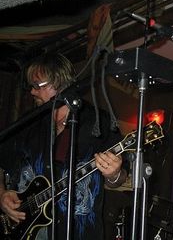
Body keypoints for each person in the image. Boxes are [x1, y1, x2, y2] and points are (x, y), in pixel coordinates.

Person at [0, 53, 128, 240]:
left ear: (59, 83)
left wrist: (114, 174)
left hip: (79, 232)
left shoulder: (99, 122)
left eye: (37, 86)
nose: (32, 92)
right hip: (25, 230)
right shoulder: (29, 124)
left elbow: (121, 177)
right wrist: (2, 194)